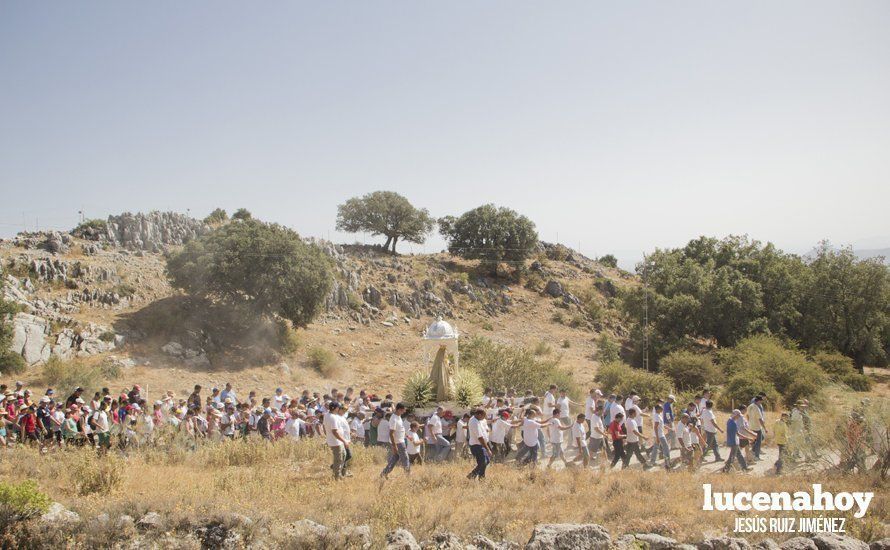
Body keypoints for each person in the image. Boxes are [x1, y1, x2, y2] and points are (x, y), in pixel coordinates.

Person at [380, 403, 410, 479]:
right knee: (405, 458)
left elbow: (400, 429)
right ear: (399, 409)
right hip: (398, 442)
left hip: (400, 440)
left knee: (395, 458)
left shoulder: (398, 417)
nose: (404, 412)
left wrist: (407, 435)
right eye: (403, 410)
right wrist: (394, 446)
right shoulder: (394, 419)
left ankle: (384, 473)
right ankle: (408, 475)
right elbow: (391, 433)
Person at [324, 402, 348, 480]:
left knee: (343, 456)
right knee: (338, 459)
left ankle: (339, 474)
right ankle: (336, 477)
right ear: (335, 408)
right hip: (336, 442)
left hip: (336, 441)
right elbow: (335, 431)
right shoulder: (332, 417)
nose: (339, 409)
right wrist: (344, 441)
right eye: (338, 407)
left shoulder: (327, 415)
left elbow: (325, 428)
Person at [467, 408, 491, 480]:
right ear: (479, 415)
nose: (484, 418)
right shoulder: (474, 422)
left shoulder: (478, 419)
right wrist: (488, 449)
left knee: (486, 461)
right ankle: (473, 475)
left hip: (480, 445)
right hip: (477, 445)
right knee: (483, 462)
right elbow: (480, 437)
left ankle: (481, 477)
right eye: (484, 416)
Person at [746, 395, 767, 460]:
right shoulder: (757, 408)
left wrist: (749, 422)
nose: (761, 403)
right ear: (759, 401)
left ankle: (753, 450)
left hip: (751, 426)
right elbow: (760, 419)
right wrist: (765, 428)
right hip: (757, 427)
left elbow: (747, 415)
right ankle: (756, 456)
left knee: (757, 439)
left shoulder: (750, 406)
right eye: (761, 401)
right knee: (758, 442)